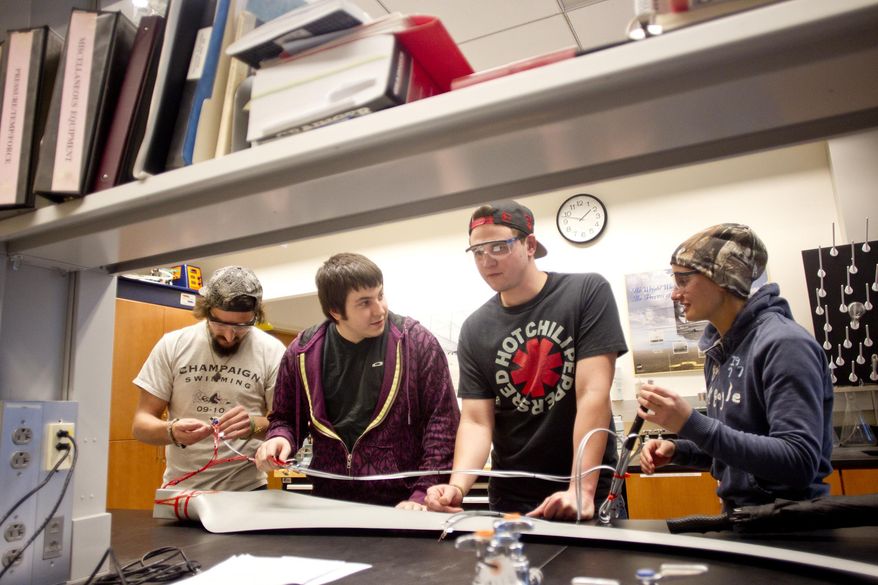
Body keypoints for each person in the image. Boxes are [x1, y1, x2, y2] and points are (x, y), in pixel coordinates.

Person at [424, 200, 628, 520]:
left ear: (529, 244)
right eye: (477, 252)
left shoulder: (586, 292)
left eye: (498, 247)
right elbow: (477, 421)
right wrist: (458, 486)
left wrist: (581, 489)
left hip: (587, 489)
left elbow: (593, 394)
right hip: (512, 498)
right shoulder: (476, 329)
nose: (487, 261)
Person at [638, 223, 834, 512]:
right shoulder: (719, 350)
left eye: (683, 280)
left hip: (789, 526)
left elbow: (798, 461)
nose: (674, 294)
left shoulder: (785, 344)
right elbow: (739, 447)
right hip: (743, 519)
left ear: (722, 278)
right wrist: (681, 449)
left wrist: (691, 424)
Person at [255, 253, 460, 509]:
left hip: (405, 505)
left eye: (380, 295)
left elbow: (442, 423)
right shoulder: (303, 351)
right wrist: (280, 438)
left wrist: (423, 493)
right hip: (330, 502)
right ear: (335, 311)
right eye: (364, 303)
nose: (380, 309)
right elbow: (285, 418)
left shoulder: (416, 343)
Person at [132, 266, 286, 491]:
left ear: (255, 316)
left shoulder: (272, 352)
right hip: (181, 491)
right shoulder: (173, 345)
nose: (229, 335)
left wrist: (254, 425)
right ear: (206, 311)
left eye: (242, 326)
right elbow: (141, 424)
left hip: (246, 492)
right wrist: (171, 431)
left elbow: (284, 425)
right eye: (220, 324)